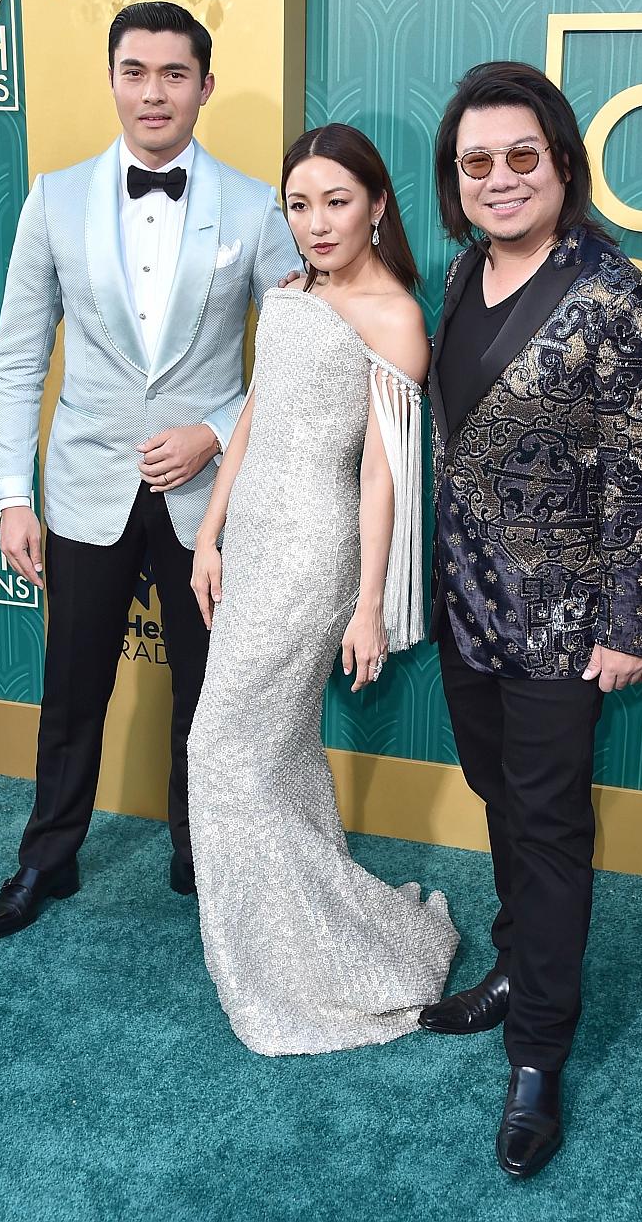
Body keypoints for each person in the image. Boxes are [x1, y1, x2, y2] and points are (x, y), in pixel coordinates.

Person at [0, 2, 300, 940]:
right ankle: (47, 859)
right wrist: (9, 496)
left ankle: (202, 860)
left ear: (203, 83)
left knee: (207, 692)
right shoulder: (54, 198)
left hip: (206, 500)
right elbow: (17, 360)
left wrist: (216, 426)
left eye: (172, 73)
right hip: (82, 488)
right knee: (73, 689)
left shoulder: (252, 205)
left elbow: (297, 349)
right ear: (112, 77)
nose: (152, 91)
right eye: (134, 70)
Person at [418, 61, 642, 1177]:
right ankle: (519, 961)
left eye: (522, 155)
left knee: (551, 822)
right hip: (467, 609)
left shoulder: (620, 296)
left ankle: (539, 1053)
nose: (500, 177)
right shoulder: (460, 274)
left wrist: (628, 621)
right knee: (499, 798)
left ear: (562, 161)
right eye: (477, 162)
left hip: (565, 623)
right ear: (456, 181)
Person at [182, 123, 460, 1055]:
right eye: (298, 205)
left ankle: (297, 962)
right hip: (251, 539)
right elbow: (254, 416)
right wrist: (209, 535)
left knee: (220, 751)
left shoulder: (394, 317)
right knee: (276, 752)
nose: (315, 223)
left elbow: (382, 477)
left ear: (378, 204)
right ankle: (297, 935)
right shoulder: (289, 291)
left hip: (313, 553)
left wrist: (368, 603)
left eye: (336, 201)